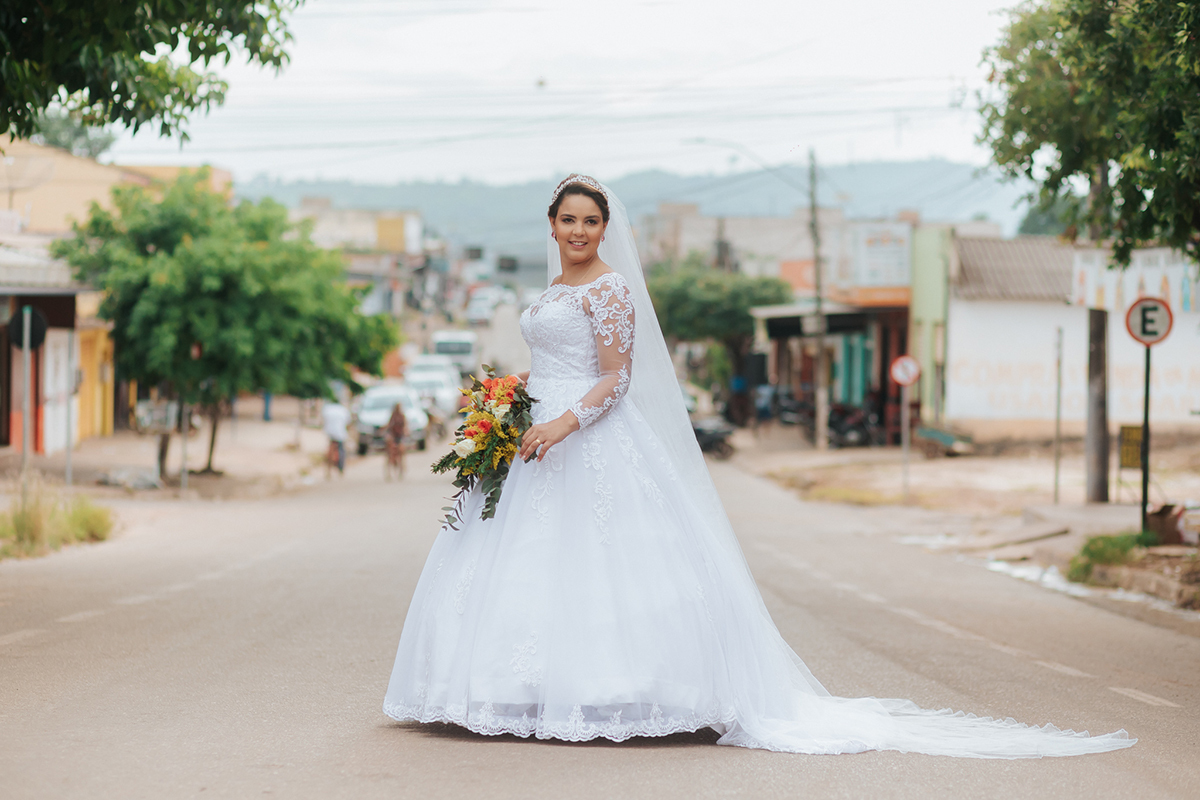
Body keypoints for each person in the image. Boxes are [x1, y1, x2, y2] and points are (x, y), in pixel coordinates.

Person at [383, 176, 1134, 758]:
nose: (578, 230)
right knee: (513, 563)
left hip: (584, 437)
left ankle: (621, 693)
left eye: (590, 220)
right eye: (567, 220)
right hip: (531, 440)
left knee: (604, 565)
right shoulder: (553, 288)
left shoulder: (611, 288)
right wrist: (513, 404)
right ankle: (509, 689)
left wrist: (562, 420)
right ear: (550, 226)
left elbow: (614, 378)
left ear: (604, 228)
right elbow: (552, 356)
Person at [321, 397, 350, 479]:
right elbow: (347, 423)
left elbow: (323, 420)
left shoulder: (327, 409)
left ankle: (328, 467)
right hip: (340, 433)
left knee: (330, 448)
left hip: (330, 432)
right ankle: (341, 467)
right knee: (341, 450)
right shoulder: (343, 410)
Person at [384, 402, 406, 480]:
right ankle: (389, 473)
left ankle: (401, 471)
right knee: (390, 454)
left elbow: (405, 427)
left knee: (401, 454)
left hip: (400, 437)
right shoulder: (393, 417)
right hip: (394, 437)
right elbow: (389, 426)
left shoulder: (402, 416)